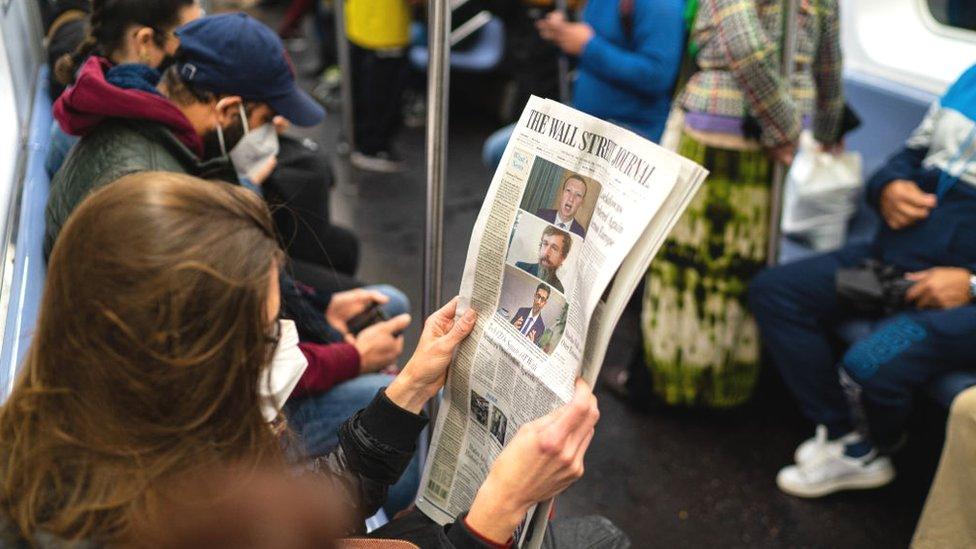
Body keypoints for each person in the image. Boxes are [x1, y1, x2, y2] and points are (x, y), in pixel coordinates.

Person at [0, 172, 626, 548]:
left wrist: (405, 392)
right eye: (261, 335)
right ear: (191, 366)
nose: (282, 343)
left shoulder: (106, 440)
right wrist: (492, 516)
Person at [749, 63, 976, 497]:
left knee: (868, 364)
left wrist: (969, 284)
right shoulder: (969, 78)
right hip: (895, 256)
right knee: (775, 293)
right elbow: (909, 156)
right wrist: (888, 187)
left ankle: (875, 448)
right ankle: (842, 434)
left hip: (964, 293)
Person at [639, 0, 845, 408]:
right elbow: (828, 63)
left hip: (720, 130)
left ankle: (671, 382)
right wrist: (823, 129)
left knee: (687, 266)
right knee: (743, 266)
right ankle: (729, 385)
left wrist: (781, 129)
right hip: (778, 136)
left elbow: (745, 46)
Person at [482, 0, 685, 169]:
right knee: (498, 151)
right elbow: (591, 54)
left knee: (501, 152)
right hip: (586, 119)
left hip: (630, 130)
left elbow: (657, 76)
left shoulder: (659, 4)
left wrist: (587, 46)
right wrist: (563, 36)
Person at [45, 0, 204, 177]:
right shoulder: (143, 144)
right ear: (145, 41)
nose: (195, 50)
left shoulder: (79, 105)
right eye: (187, 38)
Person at [345, 0, 411, 172]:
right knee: (383, 91)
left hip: (359, 16)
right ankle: (372, 147)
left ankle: (354, 138)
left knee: (360, 84)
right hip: (387, 25)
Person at [516, 225, 571, 294]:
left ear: (562, 258)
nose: (546, 253)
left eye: (554, 248)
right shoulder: (520, 268)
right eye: (545, 244)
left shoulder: (559, 289)